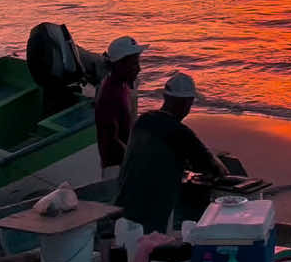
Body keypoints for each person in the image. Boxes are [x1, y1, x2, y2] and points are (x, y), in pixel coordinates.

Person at [116, 72, 227, 234]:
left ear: (166, 97)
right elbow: (216, 169)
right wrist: (214, 160)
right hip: (150, 211)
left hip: (124, 202)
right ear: (186, 103)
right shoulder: (180, 132)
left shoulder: (143, 121)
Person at [95, 35, 145, 180]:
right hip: (117, 169)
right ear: (120, 64)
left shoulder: (121, 86)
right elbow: (113, 141)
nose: (139, 68)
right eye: (134, 64)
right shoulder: (111, 94)